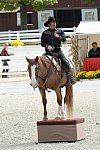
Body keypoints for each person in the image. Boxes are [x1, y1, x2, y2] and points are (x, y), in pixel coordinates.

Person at [41, 17, 76, 85]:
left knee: (64, 60)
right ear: (49, 24)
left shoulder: (60, 31)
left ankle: (70, 75)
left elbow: (64, 39)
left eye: (55, 22)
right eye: (53, 23)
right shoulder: (45, 33)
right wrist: (47, 46)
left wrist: (58, 37)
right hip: (48, 52)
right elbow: (42, 43)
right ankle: (40, 78)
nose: (55, 24)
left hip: (57, 50)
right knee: (40, 62)